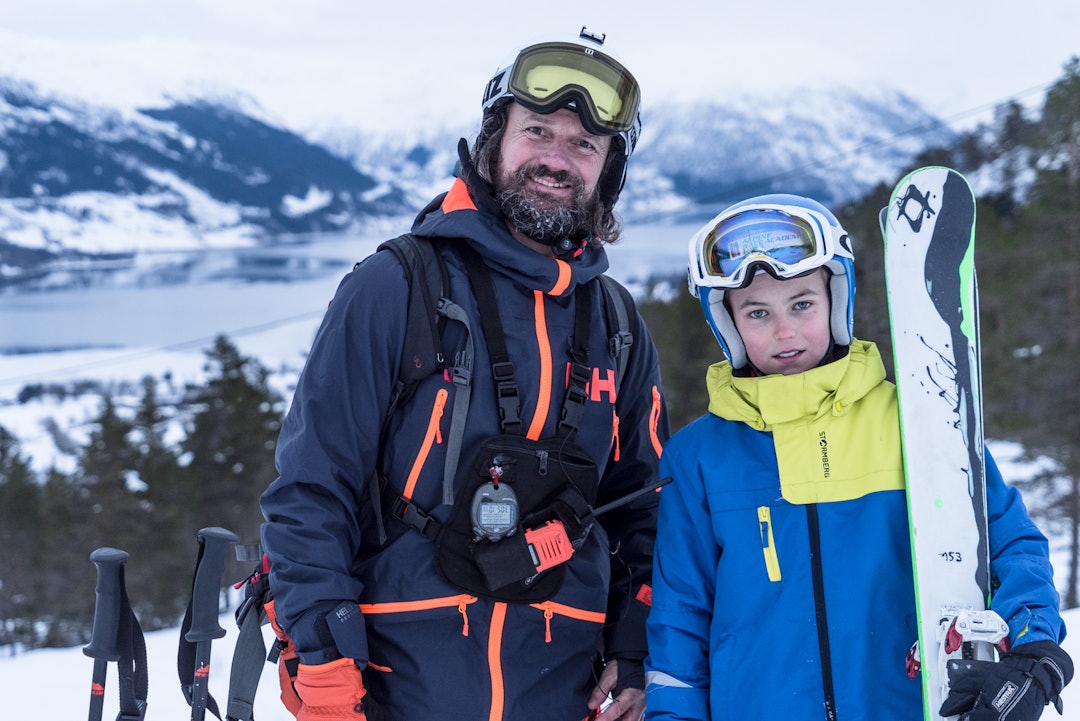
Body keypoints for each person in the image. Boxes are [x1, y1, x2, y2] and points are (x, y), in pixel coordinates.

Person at [260, 27, 669, 721]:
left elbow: (643, 515)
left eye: (583, 146)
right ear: (494, 140)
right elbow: (310, 488)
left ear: (607, 172)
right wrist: (323, 650)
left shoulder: (618, 326)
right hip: (395, 686)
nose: (556, 159)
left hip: (564, 690)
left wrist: (634, 649)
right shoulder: (397, 285)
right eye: (538, 130)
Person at [643, 194, 1072, 720]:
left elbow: (1009, 541)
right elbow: (680, 617)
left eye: (802, 304)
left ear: (836, 300)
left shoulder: (918, 421)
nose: (785, 332)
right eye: (757, 313)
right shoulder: (699, 458)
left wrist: (1033, 649)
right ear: (727, 323)